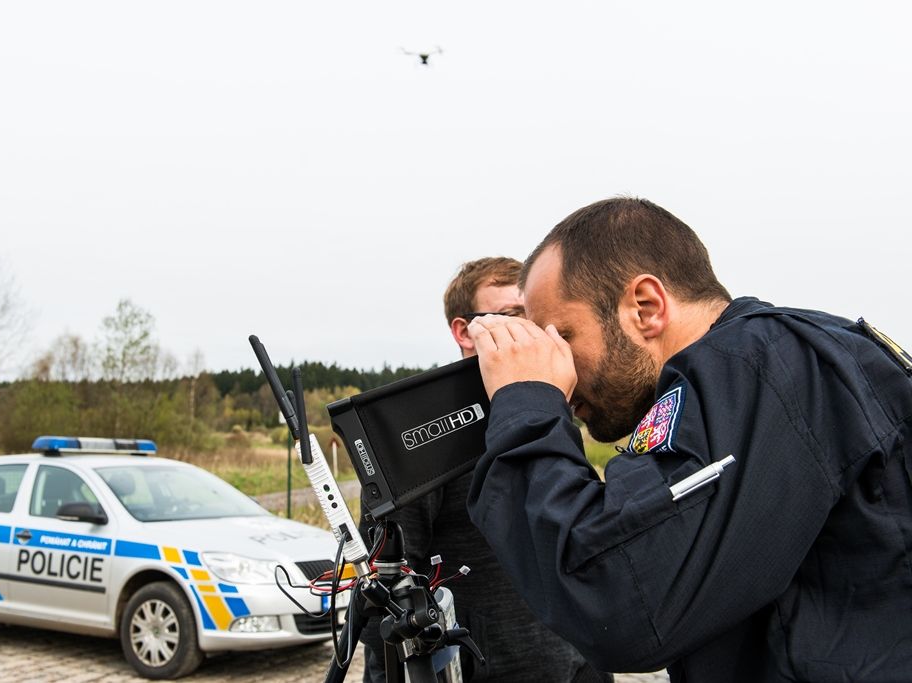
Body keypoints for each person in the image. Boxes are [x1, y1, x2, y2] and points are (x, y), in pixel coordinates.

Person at [464, 197, 912, 682]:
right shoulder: (782, 358)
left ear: (646, 308)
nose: (559, 369)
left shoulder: (756, 364)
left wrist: (526, 402)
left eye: (562, 337)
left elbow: (620, 598)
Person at [360, 257, 609, 682]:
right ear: (464, 331)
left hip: (574, 666)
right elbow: (384, 597)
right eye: (511, 314)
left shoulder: (548, 410)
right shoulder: (419, 435)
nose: (527, 330)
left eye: (532, 317)